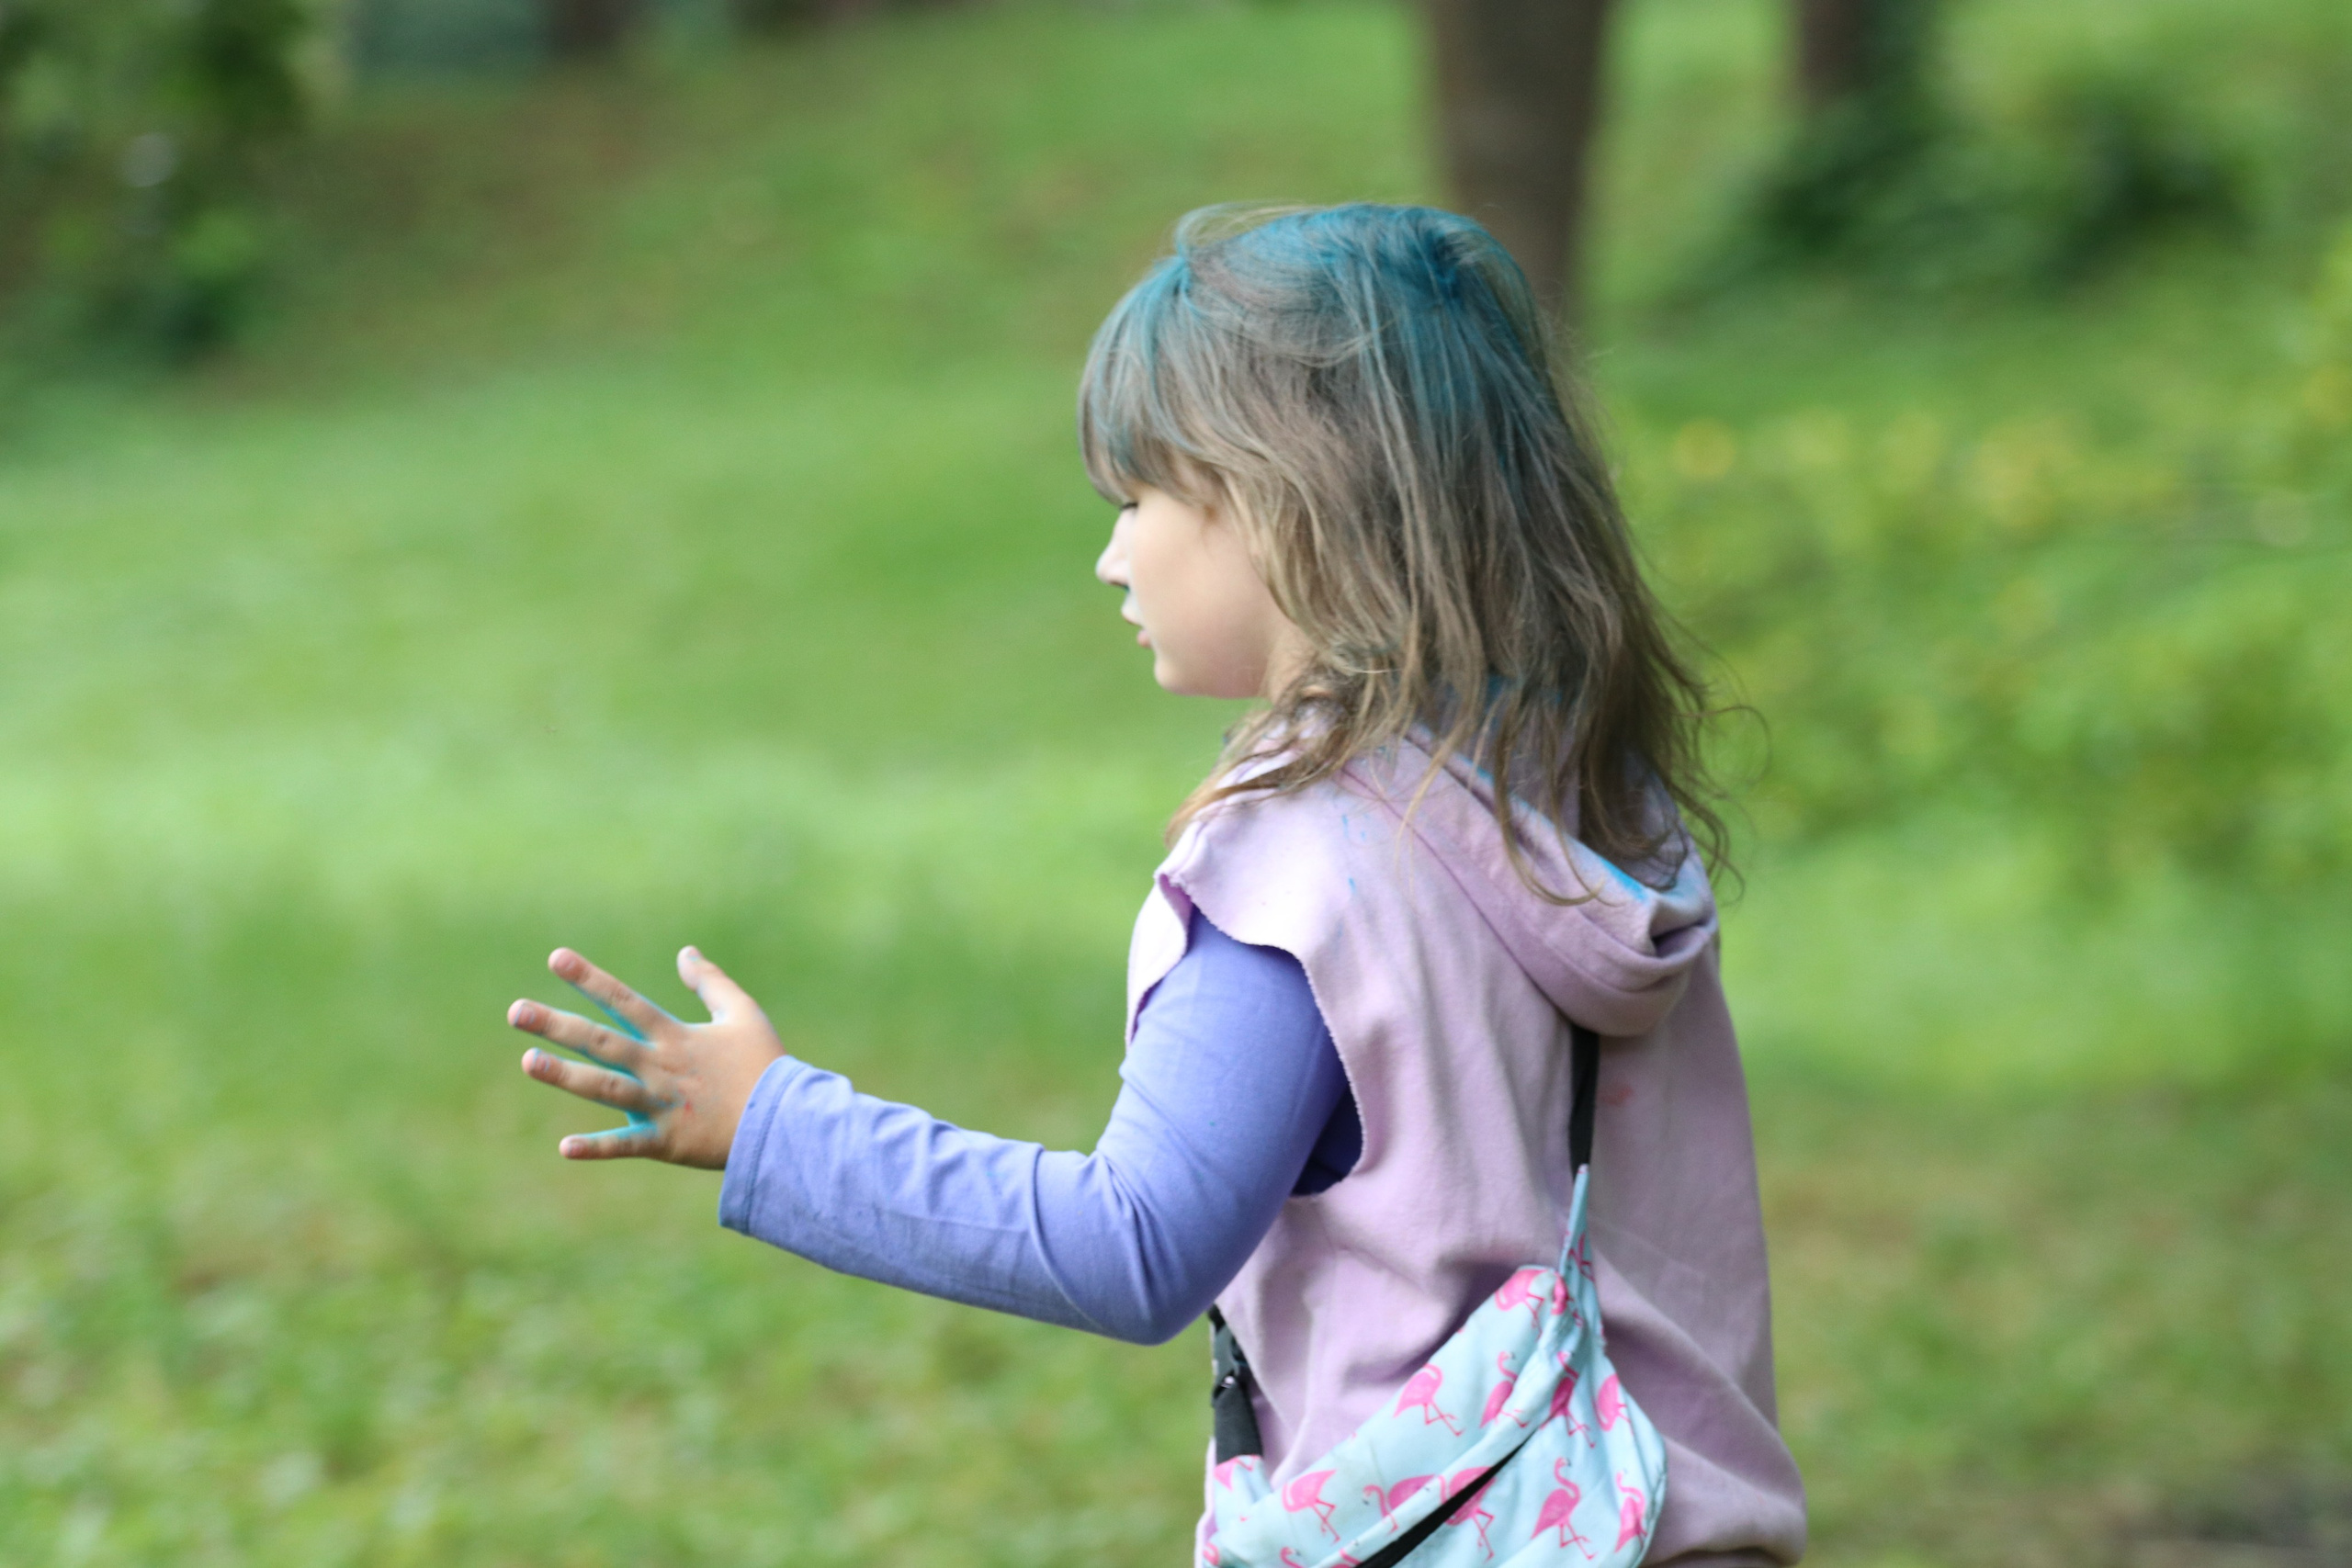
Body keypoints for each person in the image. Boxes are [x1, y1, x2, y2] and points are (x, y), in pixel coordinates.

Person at [506, 203, 1806, 1566]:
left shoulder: (1302, 867)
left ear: (1282, 499)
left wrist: (769, 1122)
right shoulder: (1592, 809)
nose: (1112, 555)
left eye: (1136, 499)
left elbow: (1131, 1245)